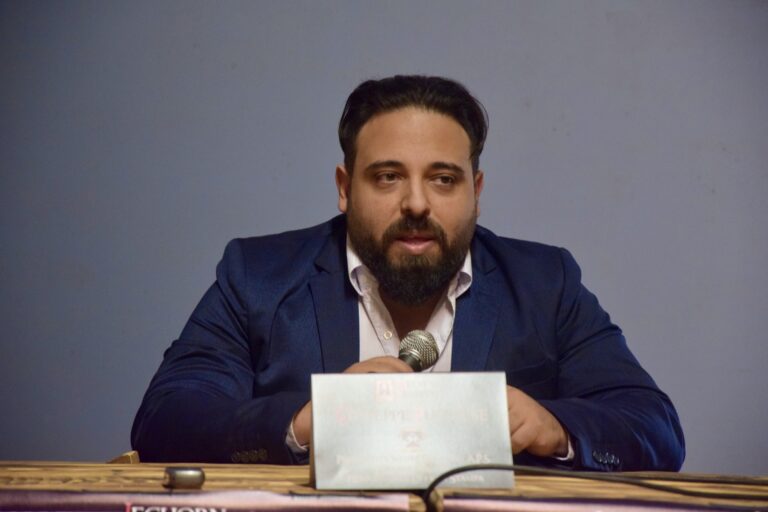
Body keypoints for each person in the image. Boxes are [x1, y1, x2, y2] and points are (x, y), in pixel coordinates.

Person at [131, 75, 685, 471]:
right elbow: (166, 420)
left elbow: (654, 427)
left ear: (476, 192)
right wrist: (306, 421)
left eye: (443, 179)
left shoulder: (545, 283)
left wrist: (556, 429)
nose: (417, 203)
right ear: (345, 189)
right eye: (388, 177)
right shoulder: (257, 277)